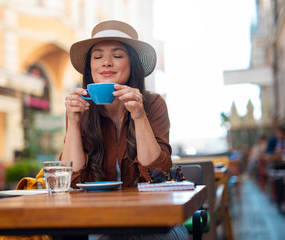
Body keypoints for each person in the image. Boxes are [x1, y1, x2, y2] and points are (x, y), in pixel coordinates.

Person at [61, 20, 189, 239]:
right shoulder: (80, 109)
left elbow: (157, 175)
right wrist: (73, 122)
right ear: (90, 68)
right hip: (100, 222)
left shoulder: (153, 104)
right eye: (98, 56)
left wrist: (139, 116)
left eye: (118, 56)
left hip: (154, 222)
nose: (106, 63)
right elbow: (71, 179)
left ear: (132, 64)